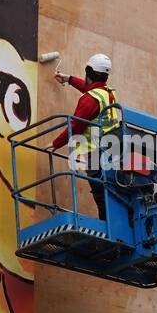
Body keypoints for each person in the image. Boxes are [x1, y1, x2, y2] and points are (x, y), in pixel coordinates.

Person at [52, 53, 119, 218]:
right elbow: (90, 90)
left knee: (101, 195)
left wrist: (55, 143)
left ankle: (108, 226)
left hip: (96, 155)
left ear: (88, 71)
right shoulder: (108, 94)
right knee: (114, 193)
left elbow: (76, 125)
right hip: (114, 150)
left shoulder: (89, 100)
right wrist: (69, 79)